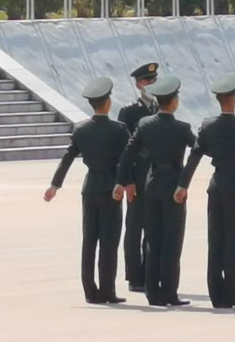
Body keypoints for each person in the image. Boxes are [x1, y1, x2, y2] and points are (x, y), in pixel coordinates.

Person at [175, 73, 235, 309]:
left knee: (215, 241)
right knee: (234, 243)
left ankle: (217, 296)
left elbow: (195, 155)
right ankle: (234, 296)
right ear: (234, 99)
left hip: (215, 188)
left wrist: (182, 185)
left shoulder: (207, 126)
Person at [43, 77, 129, 304]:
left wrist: (55, 185)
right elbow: (129, 159)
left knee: (89, 240)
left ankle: (90, 292)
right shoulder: (119, 131)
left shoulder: (81, 130)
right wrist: (128, 183)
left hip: (89, 188)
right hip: (112, 188)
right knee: (109, 242)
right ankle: (108, 291)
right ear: (108, 102)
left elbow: (68, 156)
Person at [114, 76, 195, 307]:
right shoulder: (180, 128)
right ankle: (166, 290)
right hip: (169, 185)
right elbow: (198, 148)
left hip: (151, 183)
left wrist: (119, 181)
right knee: (170, 238)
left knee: (151, 237)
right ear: (175, 102)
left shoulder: (145, 124)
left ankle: (151, 288)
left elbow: (128, 152)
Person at [117, 62, 159, 292]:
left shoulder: (159, 108)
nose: (152, 85)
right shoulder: (130, 111)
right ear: (139, 84)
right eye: (148, 81)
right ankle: (134, 276)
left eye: (154, 81)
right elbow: (124, 150)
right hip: (137, 177)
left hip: (156, 176)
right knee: (135, 227)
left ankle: (149, 272)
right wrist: (128, 180)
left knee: (152, 226)